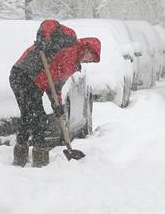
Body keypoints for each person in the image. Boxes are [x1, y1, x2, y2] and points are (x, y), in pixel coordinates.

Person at [9, 20, 101, 167]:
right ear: (87, 48)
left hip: (32, 82)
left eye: (92, 61)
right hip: (23, 74)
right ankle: (39, 159)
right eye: (91, 57)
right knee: (37, 118)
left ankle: (21, 156)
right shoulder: (70, 39)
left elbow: (55, 86)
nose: (89, 61)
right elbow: (50, 23)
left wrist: (56, 104)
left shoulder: (73, 65)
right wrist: (43, 37)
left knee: (29, 116)